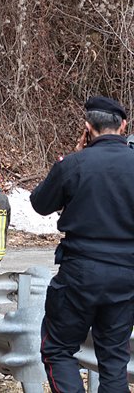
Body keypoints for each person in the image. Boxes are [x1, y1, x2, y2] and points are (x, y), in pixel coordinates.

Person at [30, 95, 134, 393]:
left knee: (58, 349)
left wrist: (71, 159)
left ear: (87, 127)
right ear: (123, 125)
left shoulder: (74, 164)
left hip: (80, 273)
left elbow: (39, 203)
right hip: (126, 275)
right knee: (114, 360)